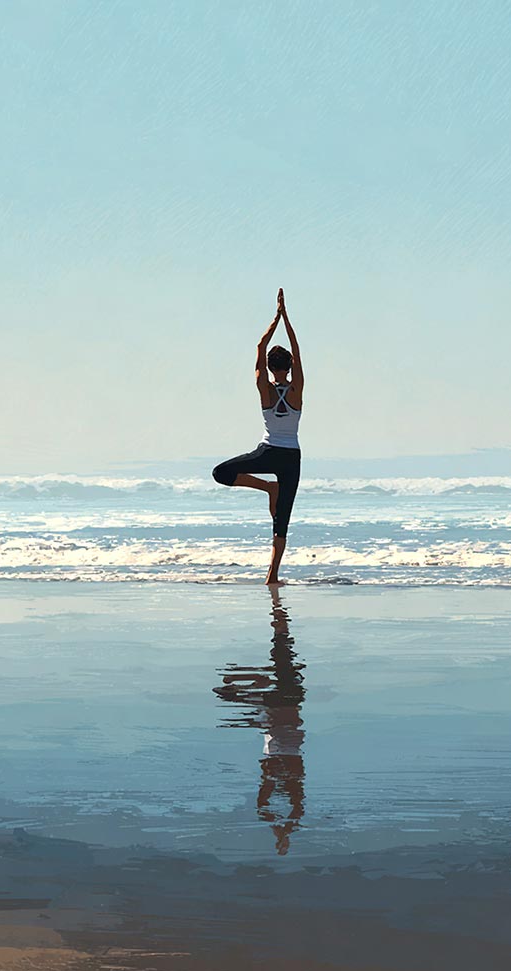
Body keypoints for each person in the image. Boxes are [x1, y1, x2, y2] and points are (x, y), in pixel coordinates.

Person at [212, 288, 303, 584]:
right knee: (281, 522)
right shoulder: (297, 388)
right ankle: (271, 575)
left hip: (269, 452)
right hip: (291, 457)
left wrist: (275, 318)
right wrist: (286, 318)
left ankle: (266, 487)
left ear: (269, 367)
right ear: (290, 366)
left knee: (220, 472)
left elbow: (260, 346)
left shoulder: (263, 386)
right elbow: (296, 349)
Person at [214, 585, 306, 855]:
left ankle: (280, 620)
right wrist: (282, 829)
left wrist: (281, 828)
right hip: (281, 709)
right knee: (280, 659)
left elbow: (271, 805)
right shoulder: (283, 768)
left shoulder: (287, 769)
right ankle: (279, 617)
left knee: (281, 659)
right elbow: (274, 805)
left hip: (287, 707)